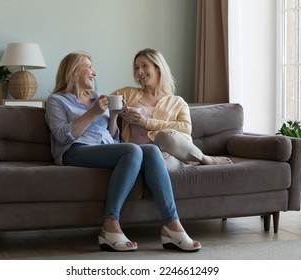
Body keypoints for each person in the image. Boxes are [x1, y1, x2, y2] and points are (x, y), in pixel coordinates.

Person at [45, 51, 201, 252]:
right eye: (89, 67)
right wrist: (93, 113)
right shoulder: (57, 100)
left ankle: (172, 226)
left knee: (151, 151)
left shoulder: (96, 98)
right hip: (74, 150)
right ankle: (110, 225)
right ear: (75, 71)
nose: (94, 72)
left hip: (101, 149)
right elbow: (62, 135)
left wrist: (113, 117)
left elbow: (112, 137)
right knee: (132, 150)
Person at [112, 48, 232, 170]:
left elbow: (185, 128)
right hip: (140, 153)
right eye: (136, 68)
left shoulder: (178, 102)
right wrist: (114, 111)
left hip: (166, 153)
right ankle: (193, 160)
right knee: (153, 161)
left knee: (165, 136)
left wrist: (146, 122)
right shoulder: (129, 93)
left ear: (158, 67)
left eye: (144, 66)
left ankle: (203, 158)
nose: (139, 72)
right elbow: (100, 101)